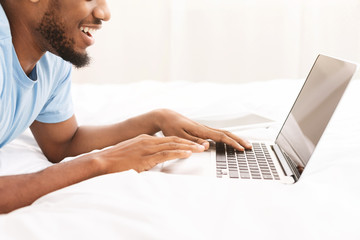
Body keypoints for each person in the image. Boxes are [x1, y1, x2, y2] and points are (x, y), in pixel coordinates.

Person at [0, 0, 251, 214]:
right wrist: (99, 163)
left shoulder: (52, 60)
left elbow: (62, 143)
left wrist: (157, 119)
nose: (104, 13)